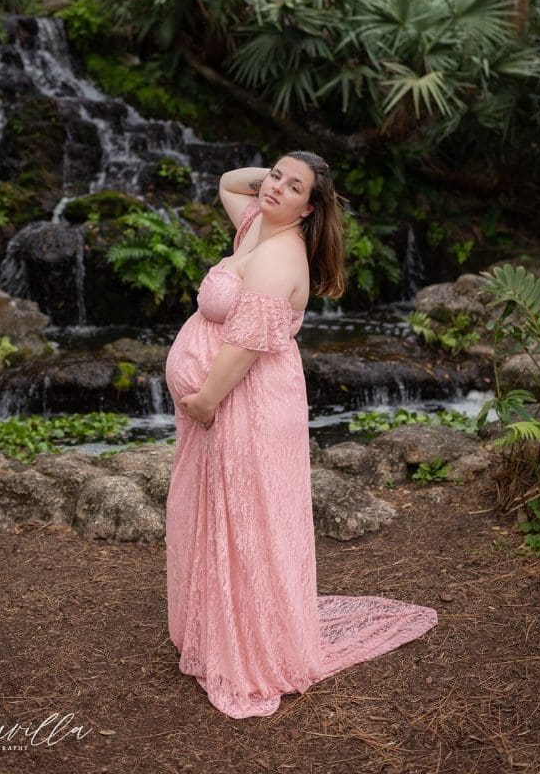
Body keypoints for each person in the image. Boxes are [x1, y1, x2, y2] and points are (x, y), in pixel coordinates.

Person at [164, 151, 437, 719]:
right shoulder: (257, 223)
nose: (274, 188)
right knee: (226, 514)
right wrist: (279, 176)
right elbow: (227, 182)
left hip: (247, 403)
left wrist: (207, 400)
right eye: (274, 177)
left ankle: (253, 647)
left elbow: (243, 345)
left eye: (294, 188)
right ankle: (224, 625)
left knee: (247, 516)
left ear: (309, 208)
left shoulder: (282, 254)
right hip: (230, 402)